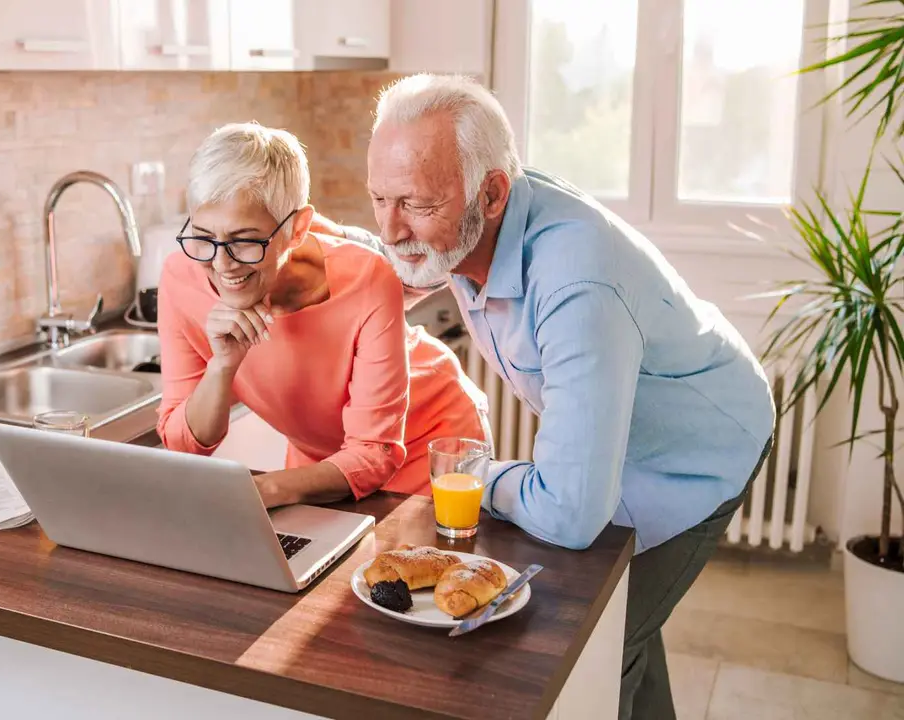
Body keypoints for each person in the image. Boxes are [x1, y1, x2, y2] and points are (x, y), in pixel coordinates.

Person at [319, 74, 775, 719]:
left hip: (697, 452)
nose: (392, 231)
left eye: (415, 206)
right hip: (612, 446)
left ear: (493, 193)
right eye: (379, 199)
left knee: (595, 655)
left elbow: (569, 513)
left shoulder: (578, 285)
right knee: (621, 630)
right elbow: (385, 258)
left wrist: (476, 473)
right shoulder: (471, 212)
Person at [156, 122, 491, 507]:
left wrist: (265, 490)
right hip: (319, 467)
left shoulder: (367, 278)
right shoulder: (180, 278)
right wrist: (222, 366)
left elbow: (372, 452)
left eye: (244, 240)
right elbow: (182, 443)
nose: (221, 264)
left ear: (297, 229)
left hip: (431, 447)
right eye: (204, 236)